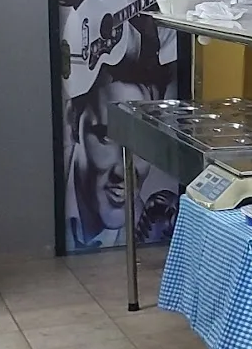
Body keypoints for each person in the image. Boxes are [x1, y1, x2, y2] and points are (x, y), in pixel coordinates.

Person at [63, 66, 177, 250]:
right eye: (107, 137)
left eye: (143, 140)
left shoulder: (153, 226)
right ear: (74, 121)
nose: (124, 171)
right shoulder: (40, 206)